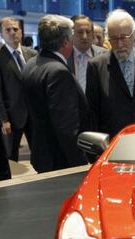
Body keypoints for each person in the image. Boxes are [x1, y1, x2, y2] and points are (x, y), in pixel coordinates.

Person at [21, 15, 91, 173]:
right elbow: (66, 127)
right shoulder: (57, 72)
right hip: (60, 158)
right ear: (65, 42)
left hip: (41, 152)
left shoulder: (31, 63)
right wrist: (80, 162)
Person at [86, 9, 135, 138]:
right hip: (112, 142)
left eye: (124, 37)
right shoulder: (96, 66)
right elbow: (92, 112)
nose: (119, 44)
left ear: (134, 34)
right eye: (114, 39)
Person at [0, 17, 37, 161]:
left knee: (39, 151)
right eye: (8, 30)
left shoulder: (32, 55)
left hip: (34, 113)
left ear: (21, 31)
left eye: (16, 29)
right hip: (12, 115)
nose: (13, 32)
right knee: (11, 156)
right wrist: (4, 119)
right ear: (1, 34)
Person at [67, 15, 107, 92]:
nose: (84, 36)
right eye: (80, 32)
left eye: (88, 32)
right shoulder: (64, 56)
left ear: (92, 34)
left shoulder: (104, 55)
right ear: (71, 34)